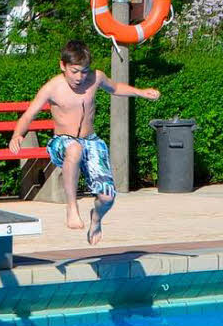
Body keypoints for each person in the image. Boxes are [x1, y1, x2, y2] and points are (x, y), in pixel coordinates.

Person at [9, 40, 160, 245]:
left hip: (91, 142)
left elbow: (115, 87)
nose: (80, 77)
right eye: (75, 71)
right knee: (74, 148)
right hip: (62, 142)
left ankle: (96, 219)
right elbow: (28, 115)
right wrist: (17, 135)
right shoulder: (52, 87)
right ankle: (72, 206)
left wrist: (140, 92)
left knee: (107, 197)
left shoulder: (95, 78)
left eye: (84, 71)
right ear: (63, 66)